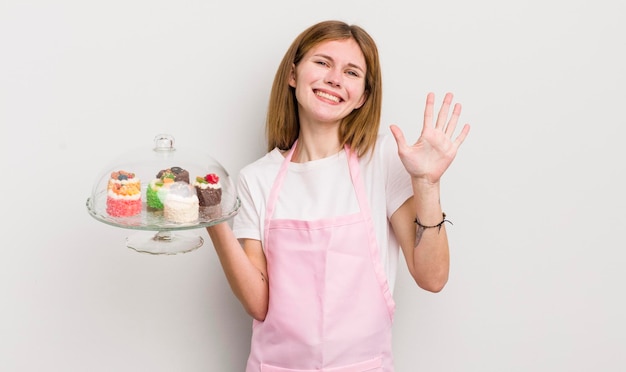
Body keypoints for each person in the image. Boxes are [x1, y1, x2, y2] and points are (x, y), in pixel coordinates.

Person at [206, 20, 470, 372]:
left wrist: (426, 184)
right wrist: (215, 222)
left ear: (362, 96)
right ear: (292, 73)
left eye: (351, 72)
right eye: (322, 62)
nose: (334, 79)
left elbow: (432, 277)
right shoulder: (257, 178)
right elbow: (258, 304)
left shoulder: (382, 161)